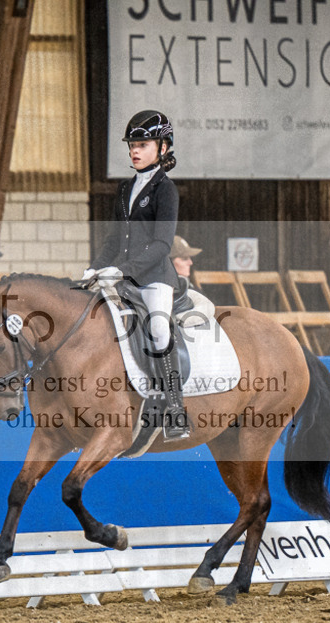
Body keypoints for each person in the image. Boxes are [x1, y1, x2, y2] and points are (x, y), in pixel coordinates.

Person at [82, 109, 189, 440]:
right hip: (122, 278)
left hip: (155, 279)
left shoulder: (166, 190)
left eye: (142, 145)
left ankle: (175, 410)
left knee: (158, 328)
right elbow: (114, 240)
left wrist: (122, 270)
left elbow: (162, 245)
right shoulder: (124, 189)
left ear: (163, 147)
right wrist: (95, 267)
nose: (135, 151)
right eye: (132, 145)